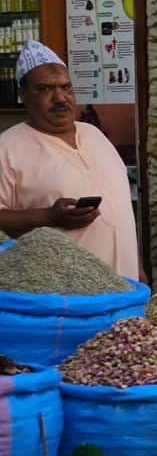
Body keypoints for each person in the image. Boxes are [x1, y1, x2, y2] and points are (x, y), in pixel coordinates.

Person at [0, 42, 139, 280]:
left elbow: (120, 210)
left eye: (66, 87)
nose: (60, 98)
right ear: (22, 95)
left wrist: (137, 264)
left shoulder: (94, 135)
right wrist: (49, 217)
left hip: (124, 287)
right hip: (64, 297)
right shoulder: (8, 147)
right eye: (44, 89)